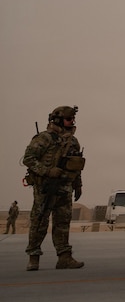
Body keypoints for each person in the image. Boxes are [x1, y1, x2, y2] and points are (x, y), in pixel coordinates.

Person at [22, 105, 86, 271]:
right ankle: (33, 257)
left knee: (63, 222)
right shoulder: (44, 138)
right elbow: (28, 159)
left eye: (73, 119)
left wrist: (77, 185)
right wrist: (47, 171)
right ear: (57, 119)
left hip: (65, 187)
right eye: (68, 119)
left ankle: (64, 257)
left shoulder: (72, 141)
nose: (72, 122)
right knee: (40, 220)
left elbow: (75, 165)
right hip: (46, 187)